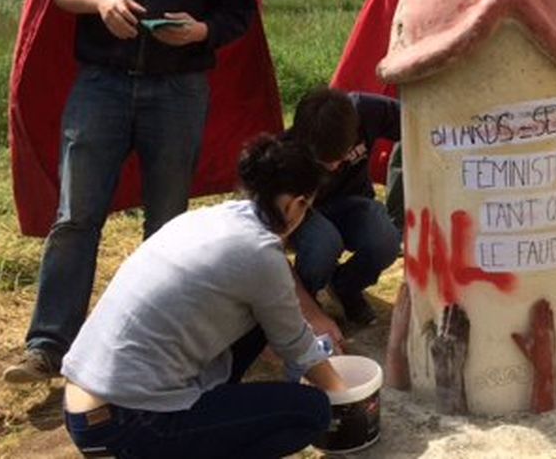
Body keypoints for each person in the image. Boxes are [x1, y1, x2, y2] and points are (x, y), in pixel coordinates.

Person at [4, 0, 283, 383]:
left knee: (168, 224)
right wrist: (99, 0)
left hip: (179, 90)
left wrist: (202, 30)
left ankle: (151, 341)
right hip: (100, 84)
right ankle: (49, 344)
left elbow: (239, 9)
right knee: (76, 216)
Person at [61, 133, 346, 458]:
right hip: (126, 424)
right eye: (307, 206)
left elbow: (284, 327)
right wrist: (344, 393)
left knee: (259, 325)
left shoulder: (208, 219)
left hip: (83, 404)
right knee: (312, 412)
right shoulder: (258, 252)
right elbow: (296, 346)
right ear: (297, 205)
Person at [330, 0, 480, 204]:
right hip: (411, 57)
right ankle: (399, 214)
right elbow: (402, 13)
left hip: (439, 57)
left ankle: (433, 200)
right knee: (409, 131)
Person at [288, 88, 402, 327]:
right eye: (323, 162)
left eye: (339, 158)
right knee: (324, 244)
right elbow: (270, 246)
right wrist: (310, 313)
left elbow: (418, 119)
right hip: (306, 215)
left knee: (385, 239)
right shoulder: (284, 153)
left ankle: (345, 288)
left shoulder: (367, 111)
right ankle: (304, 305)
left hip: (353, 203)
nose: (332, 167)